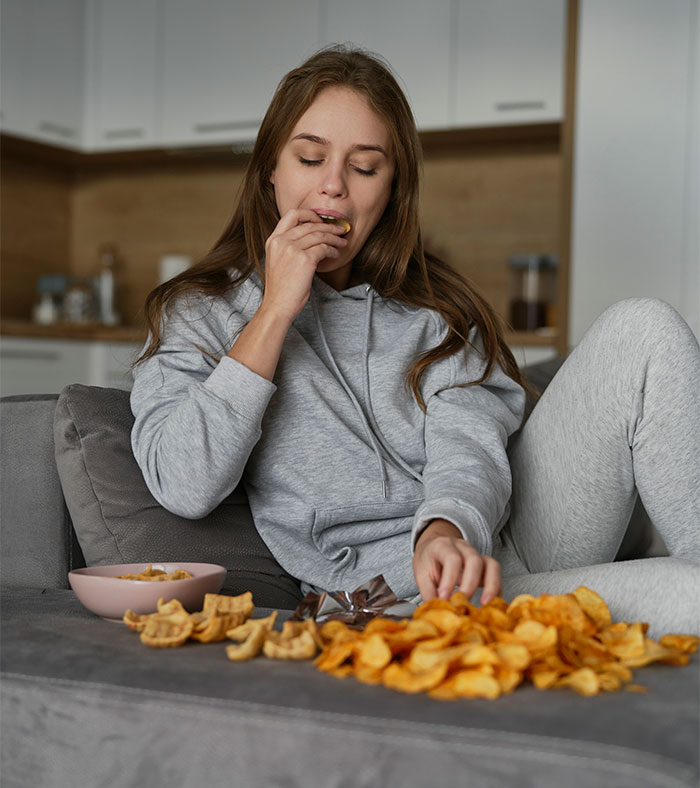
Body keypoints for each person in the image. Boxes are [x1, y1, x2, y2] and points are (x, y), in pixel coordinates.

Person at [130, 45, 699, 635]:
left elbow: (469, 442)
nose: (333, 188)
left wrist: (445, 529)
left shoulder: (435, 308)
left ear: (392, 186)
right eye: (309, 157)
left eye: (365, 167)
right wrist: (274, 311)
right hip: (395, 600)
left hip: (508, 536)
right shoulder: (199, 312)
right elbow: (183, 482)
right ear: (270, 167)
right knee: (689, 598)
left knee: (644, 326)